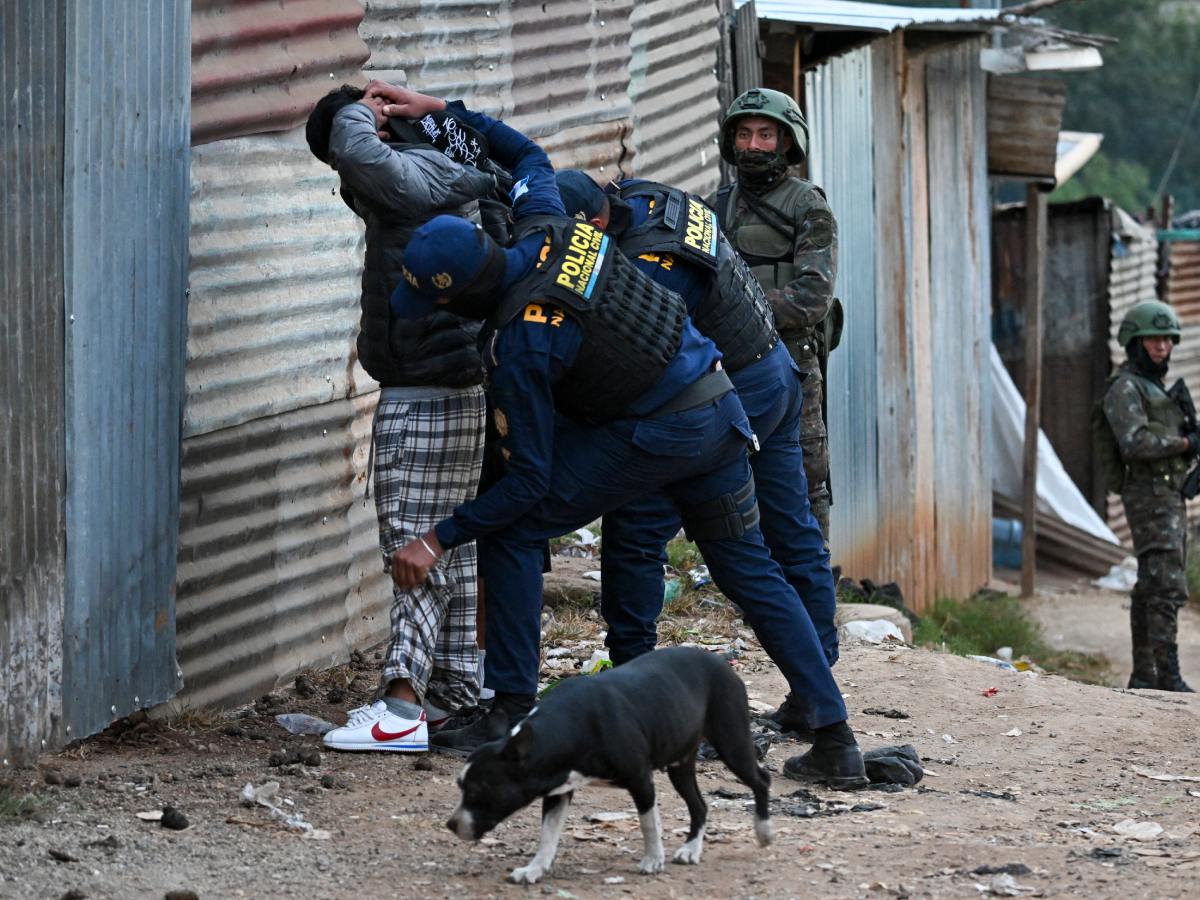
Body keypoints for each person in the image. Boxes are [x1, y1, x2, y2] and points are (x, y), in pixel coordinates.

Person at [376, 89, 868, 788]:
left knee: (512, 529)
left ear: (454, 296)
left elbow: (529, 484)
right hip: (720, 409)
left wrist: (439, 537)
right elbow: (525, 154)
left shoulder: (522, 347)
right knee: (748, 568)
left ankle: (510, 706)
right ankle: (835, 737)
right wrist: (441, 111)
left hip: (669, 429)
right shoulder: (543, 219)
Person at [553, 172, 838, 698]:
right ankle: (818, 690)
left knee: (638, 530)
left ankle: (632, 685)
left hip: (728, 398)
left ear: (592, 225)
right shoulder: (651, 199)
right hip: (774, 375)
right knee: (789, 534)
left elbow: (634, 367)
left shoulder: (649, 273)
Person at [304, 82, 499, 751]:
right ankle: (452, 695)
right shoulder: (440, 167)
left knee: (411, 544)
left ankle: (401, 706)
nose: (344, 172)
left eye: (338, 152)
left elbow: (359, 154)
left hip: (426, 387)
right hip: (452, 382)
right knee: (449, 542)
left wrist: (363, 110)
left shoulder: (409, 171)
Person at [708, 88, 841, 541]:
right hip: (730, 369)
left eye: (766, 134)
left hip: (792, 365)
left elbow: (812, 297)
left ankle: (813, 592)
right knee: (734, 477)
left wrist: (741, 313)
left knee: (806, 479)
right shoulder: (716, 207)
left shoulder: (808, 206)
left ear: (786, 141)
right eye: (744, 134)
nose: (754, 145)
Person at [1099, 300, 1196, 692]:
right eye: (1153, 339)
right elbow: (1134, 442)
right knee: (1166, 584)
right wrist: (1185, 442)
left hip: (1167, 494)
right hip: (1148, 496)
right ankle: (1167, 675)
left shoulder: (1153, 386)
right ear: (1135, 342)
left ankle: (1145, 674)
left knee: (1152, 584)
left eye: (1167, 340)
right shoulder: (1125, 388)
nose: (1162, 347)